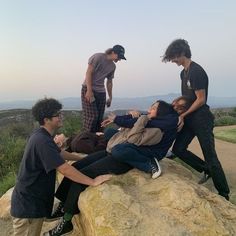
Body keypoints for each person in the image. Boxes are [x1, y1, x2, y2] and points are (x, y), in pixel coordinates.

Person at [43, 100, 182, 236]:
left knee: (83, 175)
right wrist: (134, 118)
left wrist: (141, 119)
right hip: (113, 150)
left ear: (161, 112)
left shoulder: (157, 130)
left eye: (154, 108)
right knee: (76, 167)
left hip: (122, 160)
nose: (149, 110)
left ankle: (66, 221)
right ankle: (63, 204)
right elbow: (125, 133)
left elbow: (133, 140)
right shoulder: (148, 122)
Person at [10, 98, 112, 236]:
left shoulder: (41, 136)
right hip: (28, 207)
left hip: (33, 201)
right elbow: (64, 169)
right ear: (47, 120)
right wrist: (92, 182)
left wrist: (81, 158)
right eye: (57, 115)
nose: (60, 117)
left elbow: (60, 153)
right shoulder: (42, 141)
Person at [162, 38, 230, 200]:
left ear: (182, 53)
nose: (172, 60)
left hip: (202, 119)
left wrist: (182, 116)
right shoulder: (183, 73)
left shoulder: (196, 71)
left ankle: (224, 193)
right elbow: (189, 96)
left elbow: (201, 99)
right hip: (190, 118)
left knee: (210, 156)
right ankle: (206, 169)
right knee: (178, 149)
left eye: (174, 57)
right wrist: (178, 101)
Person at [81, 45, 126, 133]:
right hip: (89, 89)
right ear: (113, 52)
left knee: (99, 118)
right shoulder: (98, 57)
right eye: (119, 56)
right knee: (92, 117)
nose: (119, 59)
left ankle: (97, 139)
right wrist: (89, 90)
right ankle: (86, 138)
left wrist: (110, 97)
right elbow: (88, 72)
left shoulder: (113, 66)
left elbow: (109, 82)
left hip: (101, 92)